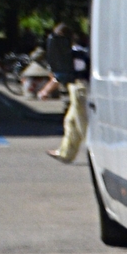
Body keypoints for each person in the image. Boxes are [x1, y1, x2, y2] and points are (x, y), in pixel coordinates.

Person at [46, 21, 88, 163]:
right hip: (76, 89)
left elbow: (73, 73)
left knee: (83, 124)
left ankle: (96, 154)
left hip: (81, 89)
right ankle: (65, 153)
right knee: (70, 121)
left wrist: (46, 90)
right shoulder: (72, 52)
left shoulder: (77, 53)